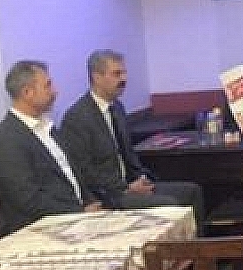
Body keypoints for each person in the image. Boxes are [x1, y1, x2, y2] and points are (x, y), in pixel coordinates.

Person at [60, 50, 203, 226]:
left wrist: (141, 177)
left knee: (192, 192)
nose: (124, 79)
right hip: (108, 195)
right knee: (169, 204)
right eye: (117, 74)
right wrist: (126, 188)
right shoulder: (77, 118)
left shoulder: (117, 108)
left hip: (131, 183)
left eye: (124, 73)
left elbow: (127, 154)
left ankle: (194, 244)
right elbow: (84, 171)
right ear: (97, 77)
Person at [0, 60, 102, 235]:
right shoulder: (6, 139)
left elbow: (74, 175)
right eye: (47, 85)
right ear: (27, 92)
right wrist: (79, 212)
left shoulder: (49, 128)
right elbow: (28, 200)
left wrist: (90, 204)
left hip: (77, 219)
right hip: (40, 230)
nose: (55, 91)